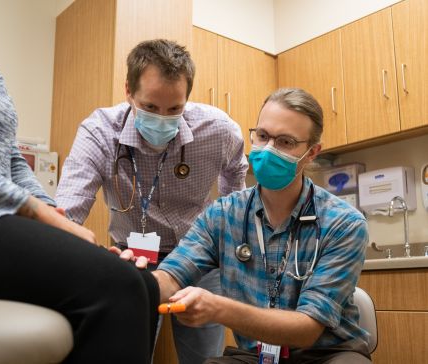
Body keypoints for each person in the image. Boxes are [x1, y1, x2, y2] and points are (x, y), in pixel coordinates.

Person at [0, 1, 159, 363]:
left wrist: (47, 209)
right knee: (118, 288)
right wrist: (36, 214)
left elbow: (9, 155)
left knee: (144, 284)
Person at [120, 88, 372, 363]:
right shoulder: (223, 214)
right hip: (258, 355)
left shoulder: (344, 224)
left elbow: (307, 329)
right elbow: (172, 274)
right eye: (262, 136)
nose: (268, 150)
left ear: (312, 152)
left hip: (326, 354)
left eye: (285, 142)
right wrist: (127, 278)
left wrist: (219, 309)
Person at [56, 39, 248, 362]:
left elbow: (236, 173)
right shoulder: (99, 132)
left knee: (206, 359)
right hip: (135, 260)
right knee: (128, 353)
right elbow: (67, 212)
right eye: (150, 108)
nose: (162, 119)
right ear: (128, 91)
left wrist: (230, 239)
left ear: (188, 96)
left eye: (175, 109)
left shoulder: (218, 130)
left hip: (200, 258)